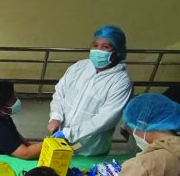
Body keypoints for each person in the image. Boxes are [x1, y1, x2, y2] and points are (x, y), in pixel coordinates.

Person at [47, 25, 132, 156]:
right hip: (61, 137)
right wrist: (56, 117)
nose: (98, 51)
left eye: (105, 47)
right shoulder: (80, 67)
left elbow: (105, 119)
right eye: (95, 45)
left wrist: (69, 134)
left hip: (90, 146)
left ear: (117, 50)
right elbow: (60, 93)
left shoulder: (121, 82)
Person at [0, 81, 41, 161]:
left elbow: (16, 134)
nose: (16, 100)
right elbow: (26, 154)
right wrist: (49, 143)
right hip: (3, 166)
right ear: (2, 106)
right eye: (13, 98)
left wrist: (30, 145)